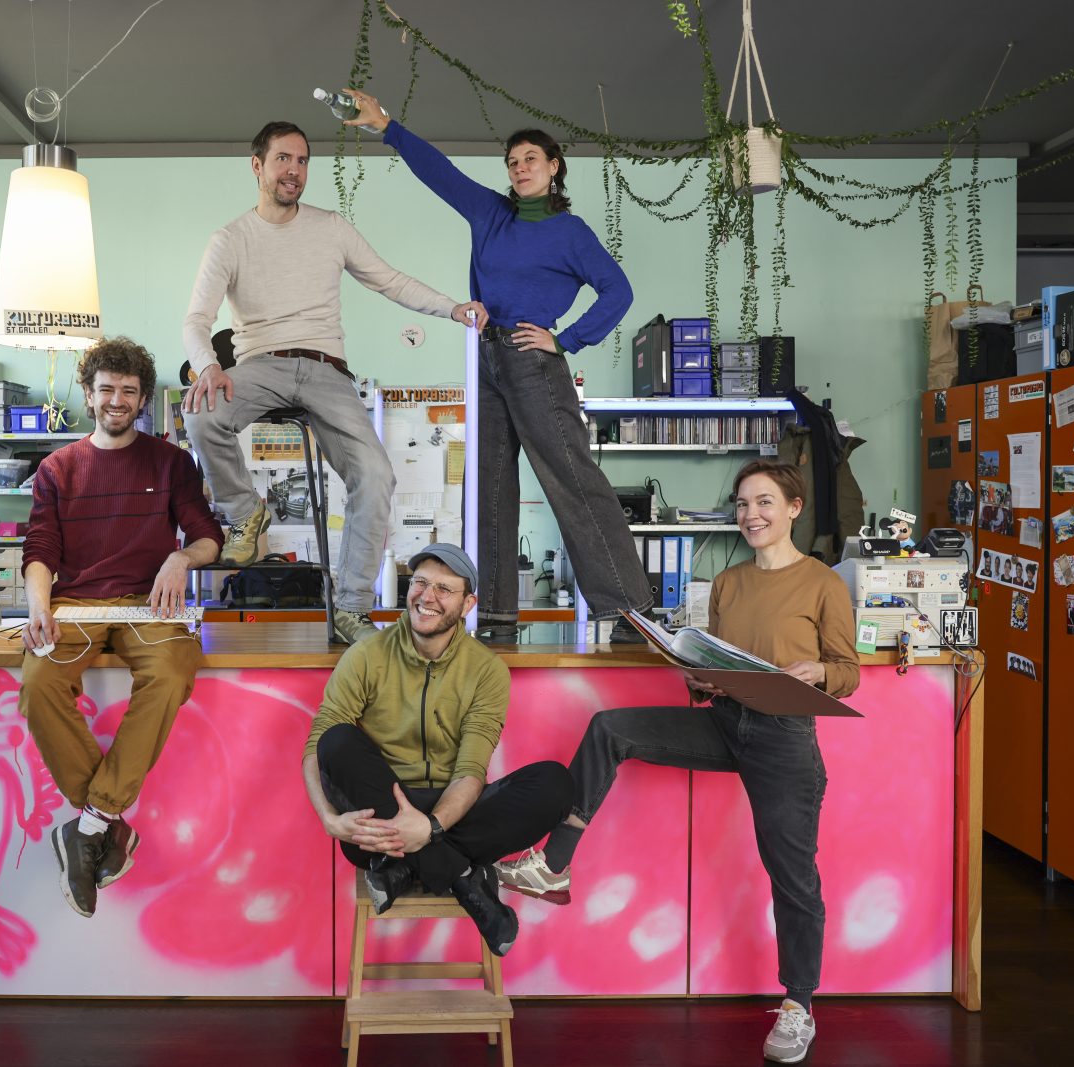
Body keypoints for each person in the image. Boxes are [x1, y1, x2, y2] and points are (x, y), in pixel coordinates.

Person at [495, 460, 859, 1063]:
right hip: (725, 722)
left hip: (783, 738)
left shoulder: (822, 582)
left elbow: (847, 673)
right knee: (610, 728)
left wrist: (818, 670)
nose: (750, 515)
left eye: (764, 503)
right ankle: (553, 865)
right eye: (742, 504)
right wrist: (699, 679)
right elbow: (716, 663)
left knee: (793, 876)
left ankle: (799, 1006)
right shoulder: (728, 583)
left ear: (794, 508)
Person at [340, 92, 649, 644]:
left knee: (572, 480)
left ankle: (630, 612)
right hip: (483, 357)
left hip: (533, 363)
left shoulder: (570, 232)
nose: (520, 168)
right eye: (512, 161)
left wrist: (566, 340)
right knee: (488, 490)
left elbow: (618, 291)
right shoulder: (491, 213)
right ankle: (497, 619)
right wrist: (386, 126)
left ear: (554, 167)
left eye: (531, 158)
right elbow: (441, 173)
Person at [182, 120, 487, 645]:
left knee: (377, 473)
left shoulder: (331, 228)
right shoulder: (230, 239)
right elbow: (196, 319)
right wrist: (208, 365)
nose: (294, 170)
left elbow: (389, 279)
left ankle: (350, 607)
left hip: (327, 369)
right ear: (257, 166)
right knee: (200, 411)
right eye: (283, 159)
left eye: (302, 161)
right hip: (261, 363)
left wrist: (452, 308)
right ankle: (246, 514)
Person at [19, 337, 224, 918]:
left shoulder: (171, 463)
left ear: (142, 400)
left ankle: (89, 824)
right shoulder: (57, 468)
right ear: (88, 395)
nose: (116, 400)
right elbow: (40, 549)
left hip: (147, 605)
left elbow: (208, 537)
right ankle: (105, 823)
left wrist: (180, 557)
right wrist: (38, 606)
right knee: (39, 683)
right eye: (106, 389)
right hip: (75, 605)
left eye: (128, 391)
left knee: (173, 671)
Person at [302, 543, 574, 955]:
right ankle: (465, 881)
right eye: (421, 583)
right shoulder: (366, 656)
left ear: (468, 604)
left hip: (453, 816)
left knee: (555, 784)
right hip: (380, 818)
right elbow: (316, 744)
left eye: (444, 589)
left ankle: (401, 868)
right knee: (336, 741)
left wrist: (430, 828)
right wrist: (328, 819)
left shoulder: (486, 670)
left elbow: (470, 771)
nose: (427, 596)